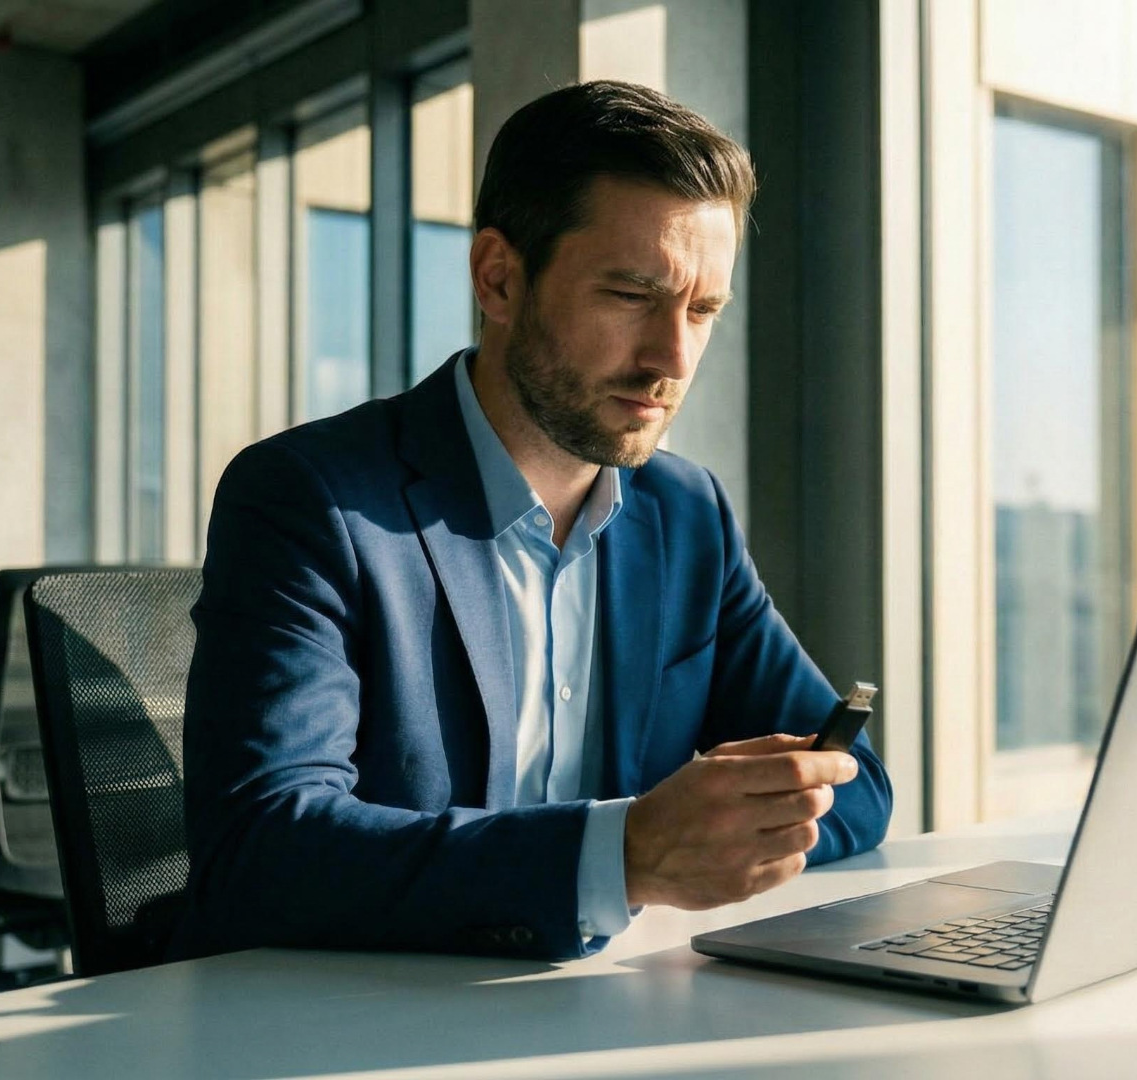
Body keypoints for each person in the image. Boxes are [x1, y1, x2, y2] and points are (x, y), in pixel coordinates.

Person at [170, 80, 892, 961]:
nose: (673, 356)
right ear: (499, 278)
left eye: (701, 310)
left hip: (605, 1011)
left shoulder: (686, 512)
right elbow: (261, 850)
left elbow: (858, 787)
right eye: (631, 295)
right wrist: (619, 858)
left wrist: (736, 823)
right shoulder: (310, 499)